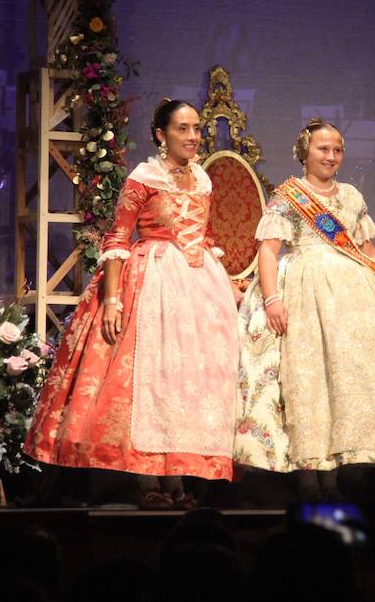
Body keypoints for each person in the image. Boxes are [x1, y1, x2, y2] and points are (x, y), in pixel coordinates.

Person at [24, 100, 238, 509]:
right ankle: (146, 483)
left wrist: (224, 282)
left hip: (197, 288)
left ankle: (177, 481)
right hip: (153, 279)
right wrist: (112, 299)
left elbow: (205, 238)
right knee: (151, 378)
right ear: (161, 134)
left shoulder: (203, 180)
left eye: (196, 129)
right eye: (182, 129)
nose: (192, 136)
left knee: (183, 382)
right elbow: (118, 239)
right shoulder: (145, 177)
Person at [233, 118, 375, 500]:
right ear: (304, 152)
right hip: (305, 287)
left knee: (344, 377)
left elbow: (367, 249)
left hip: (352, 292)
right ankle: (308, 472)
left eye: (337, 150)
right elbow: (268, 249)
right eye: (323, 149)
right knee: (309, 376)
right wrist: (273, 298)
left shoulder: (351, 197)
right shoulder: (288, 196)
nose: (331, 156)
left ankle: (340, 467)